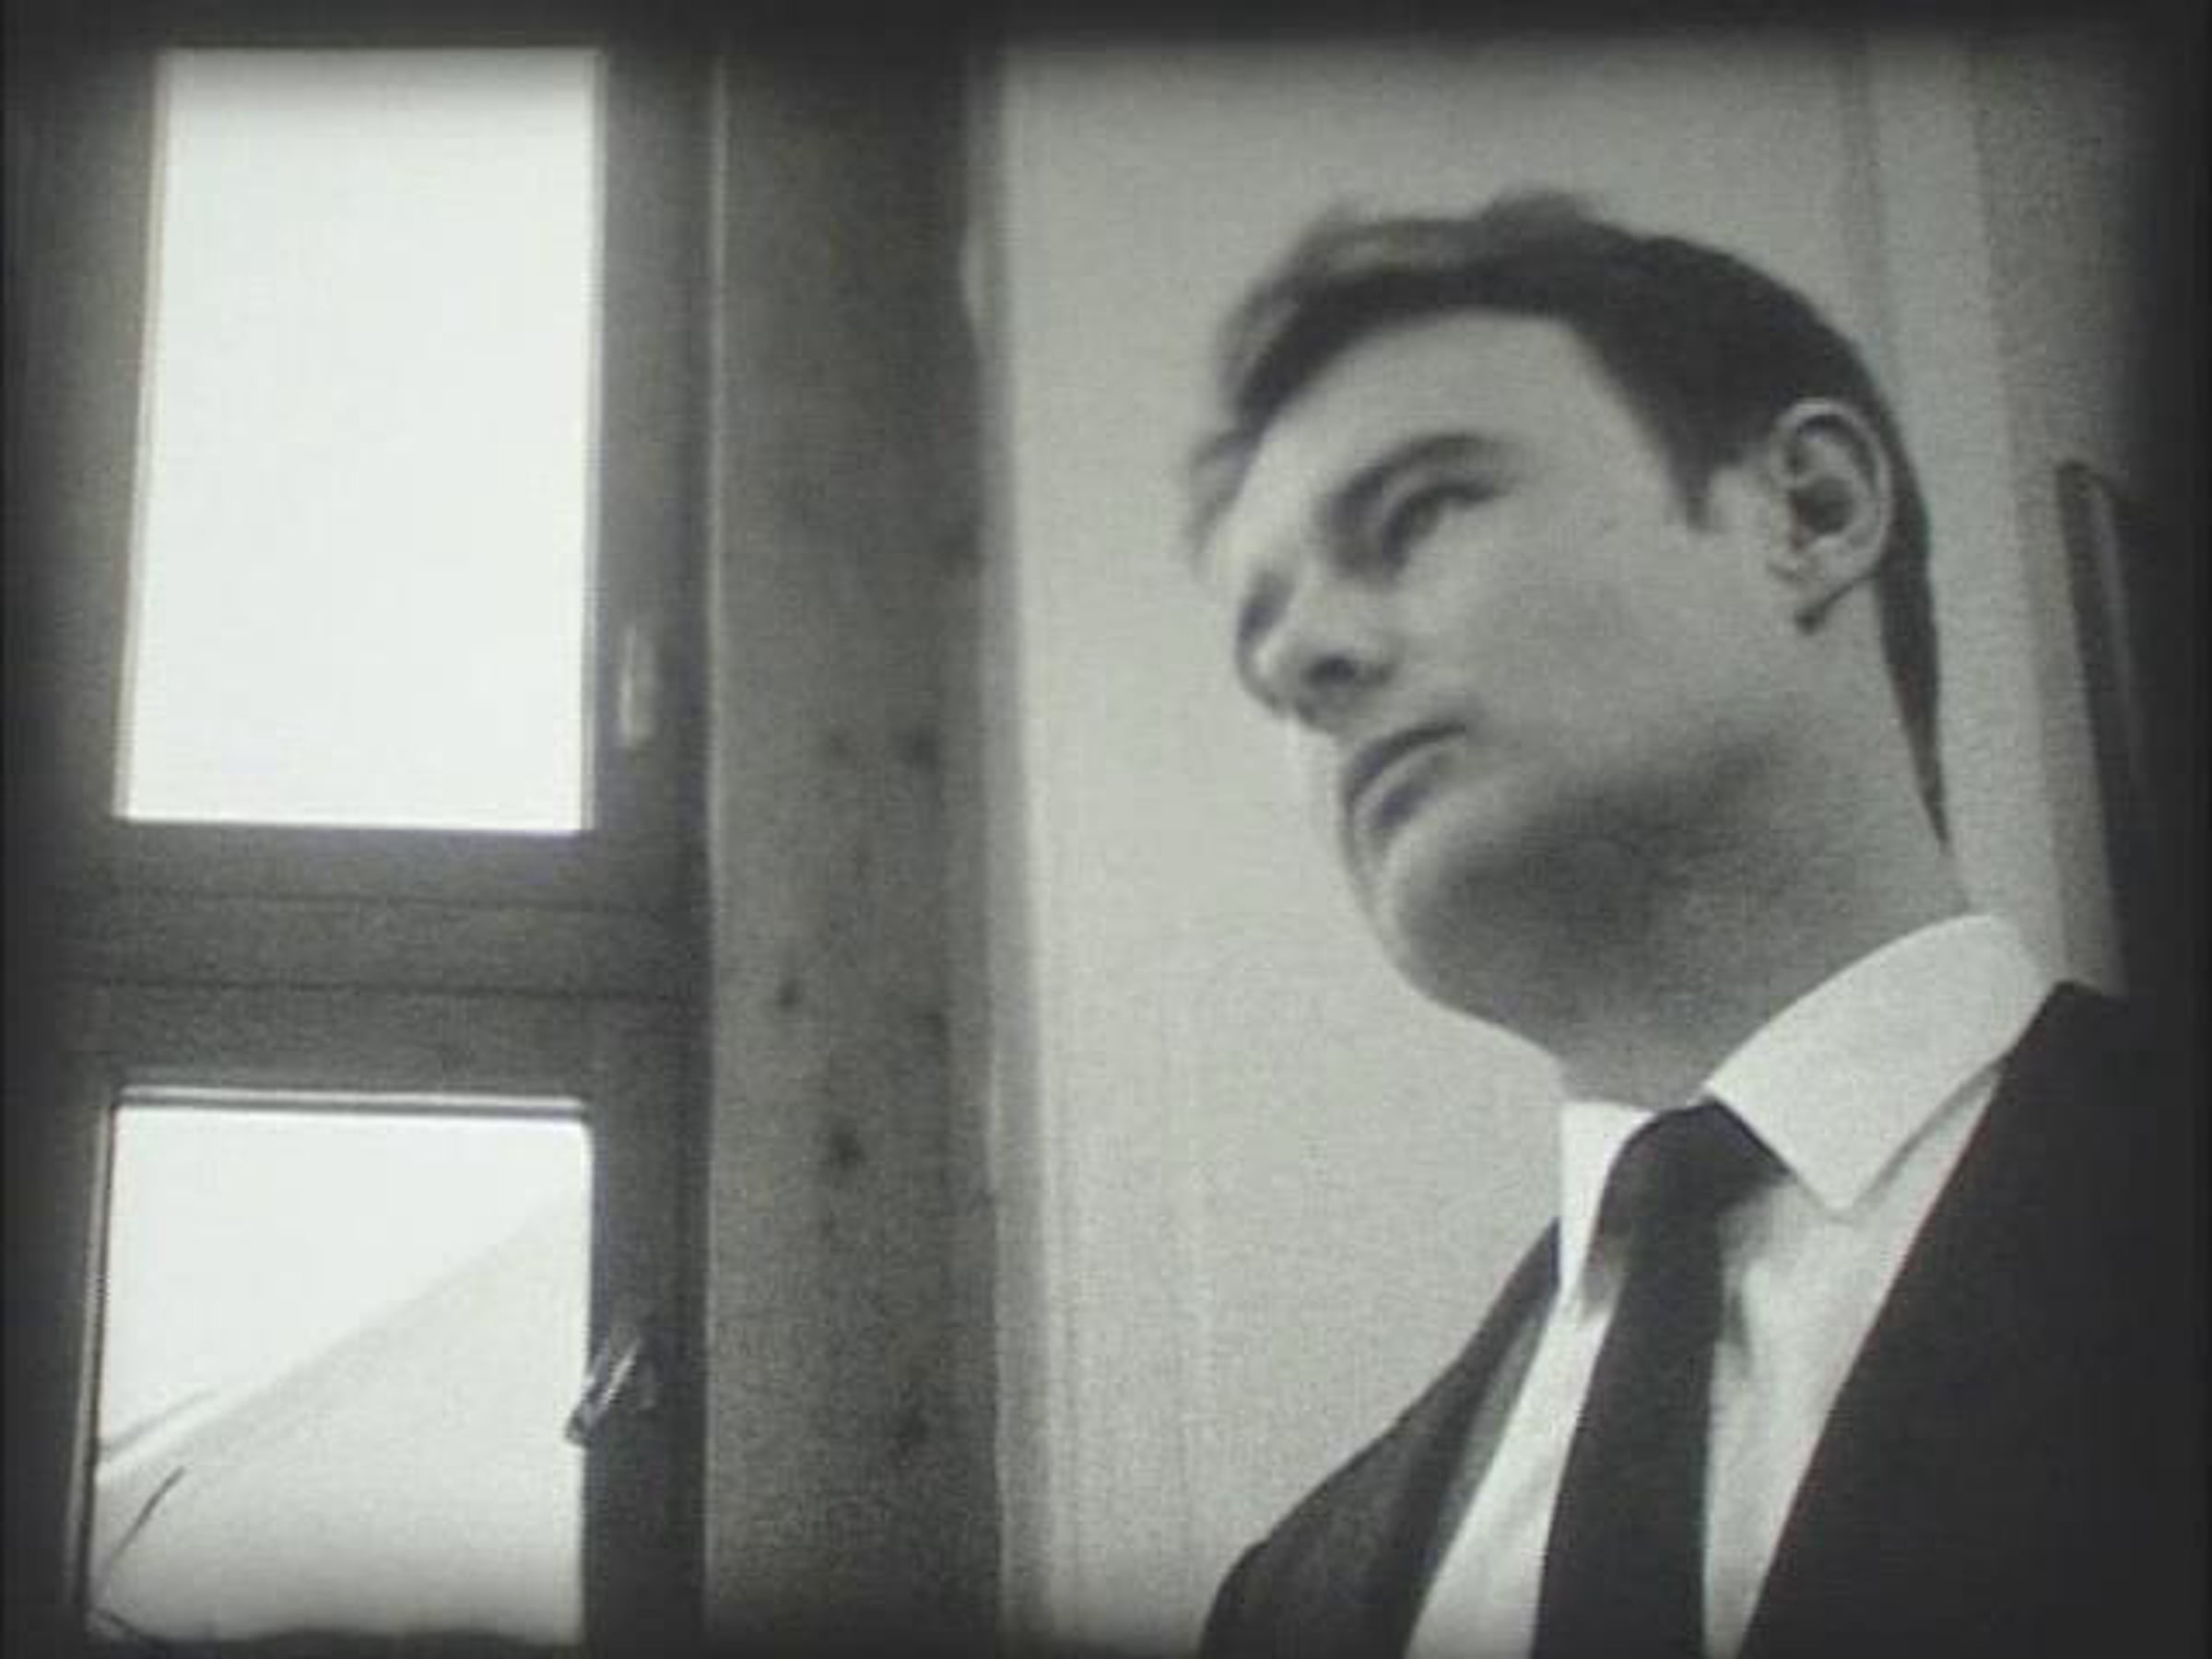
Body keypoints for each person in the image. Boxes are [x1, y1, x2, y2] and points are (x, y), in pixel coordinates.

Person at [1186, 193, 2199, 1658]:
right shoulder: (1284, 1598)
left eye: (1416, 515)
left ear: (1810, 513)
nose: (1303, 661)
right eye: (1263, 650)